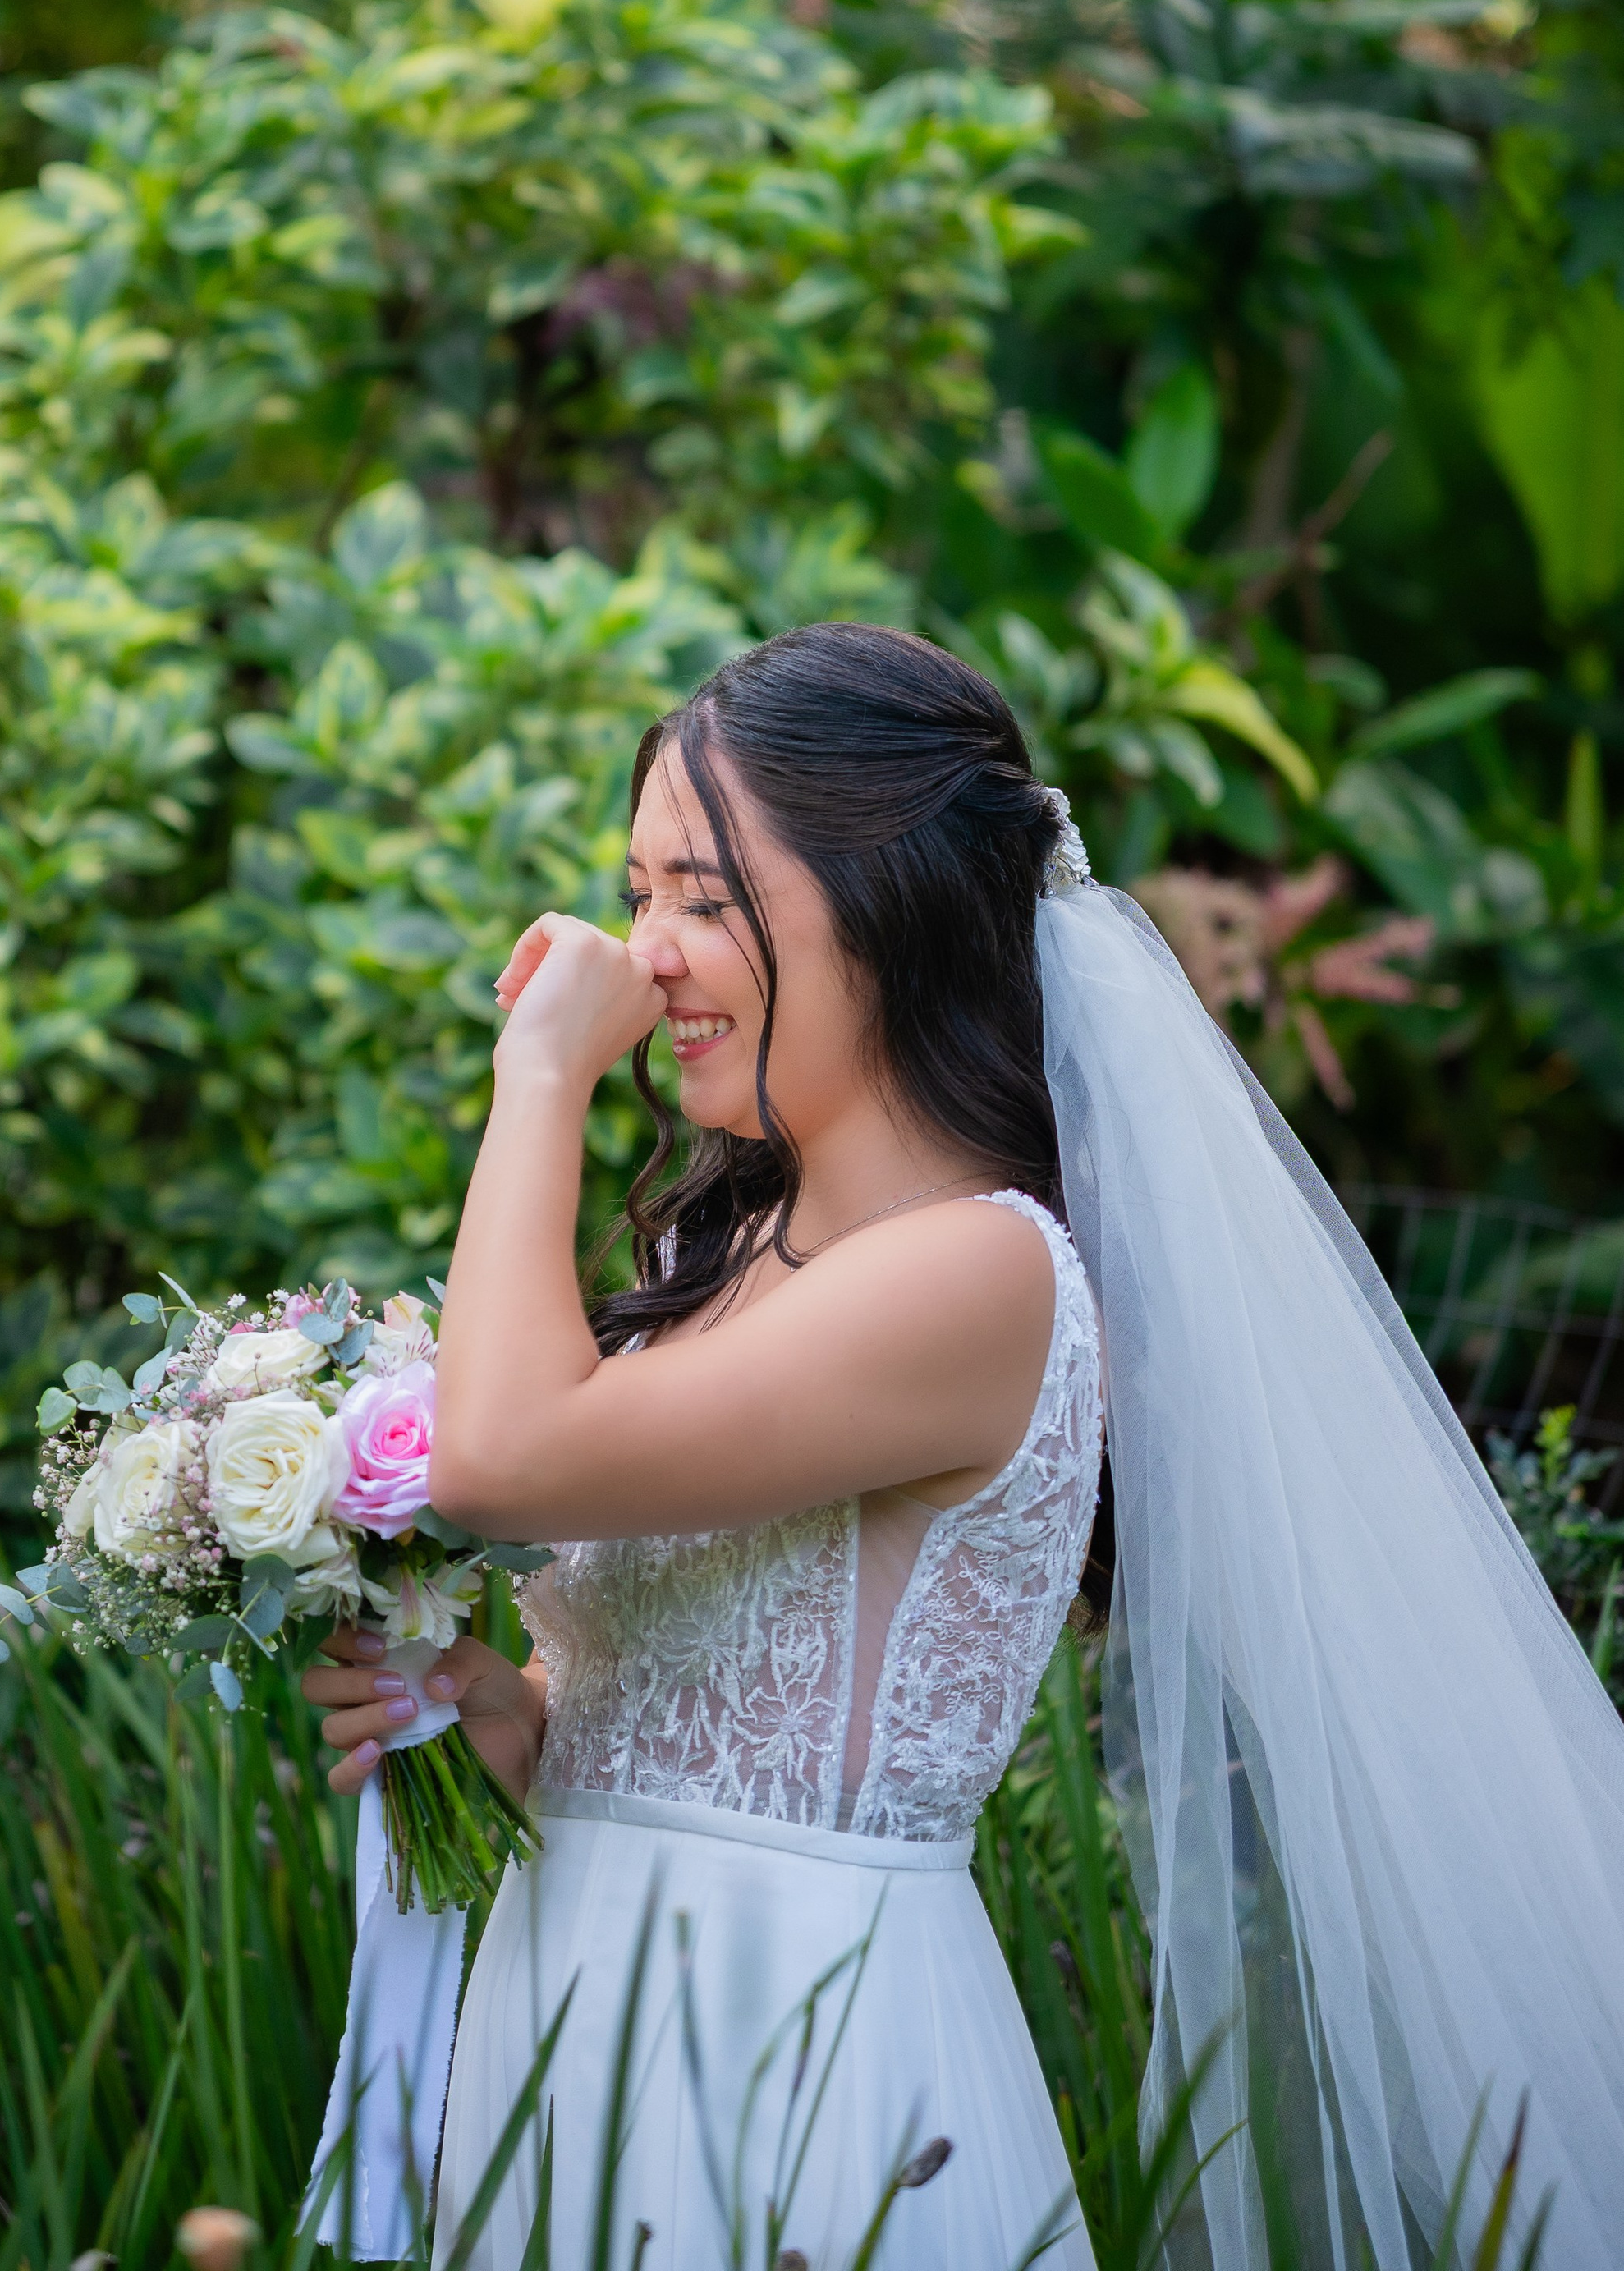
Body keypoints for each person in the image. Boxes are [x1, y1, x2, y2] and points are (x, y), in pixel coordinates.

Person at [306, 624, 1624, 2271]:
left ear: (893, 911)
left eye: (704, 900)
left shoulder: (974, 1275)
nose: (643, 956)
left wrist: (536, 1072)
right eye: (635, 893)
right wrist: (491, 1710)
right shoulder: (721, 1257)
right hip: (574, 2003)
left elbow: (498, 1458)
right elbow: (646, 1737)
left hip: (798, 2049)